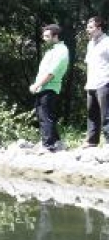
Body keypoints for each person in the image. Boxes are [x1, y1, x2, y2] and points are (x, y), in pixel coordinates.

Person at [29, 24, 69, 152]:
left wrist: (37, 85)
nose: (44, 38)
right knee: (43, 116)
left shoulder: (61, 51)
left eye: (47, 36)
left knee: (46, 117)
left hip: (49, 88)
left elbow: (51, 73)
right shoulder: (52, 50)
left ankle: (48, 146)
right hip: (43, 88)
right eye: (44, 35)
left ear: (55, 36)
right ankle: (57, 142)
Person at [84, 16, 109, 148]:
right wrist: (87, 82)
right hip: (91, 83)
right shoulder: (90, 44)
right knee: (92, 114)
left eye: (91, 27)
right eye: (88, 27)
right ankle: (92, 141)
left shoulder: (107, 42)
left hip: (105, 82)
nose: (88, 30)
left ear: (99, 28)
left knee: (106, 115)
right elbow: (88, 64)